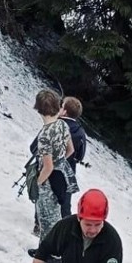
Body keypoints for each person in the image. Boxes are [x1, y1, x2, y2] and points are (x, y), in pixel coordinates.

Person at [31, 88, 77, 238]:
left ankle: (50, 255)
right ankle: (45, 251)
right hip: (61, 176)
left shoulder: (44, 135)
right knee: (55, 216)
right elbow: (70, 150)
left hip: (48, 181)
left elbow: (48, 166)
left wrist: (37, 183)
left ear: (39, 109)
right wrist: (59, 162)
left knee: (45, 220)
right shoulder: (63, 125)